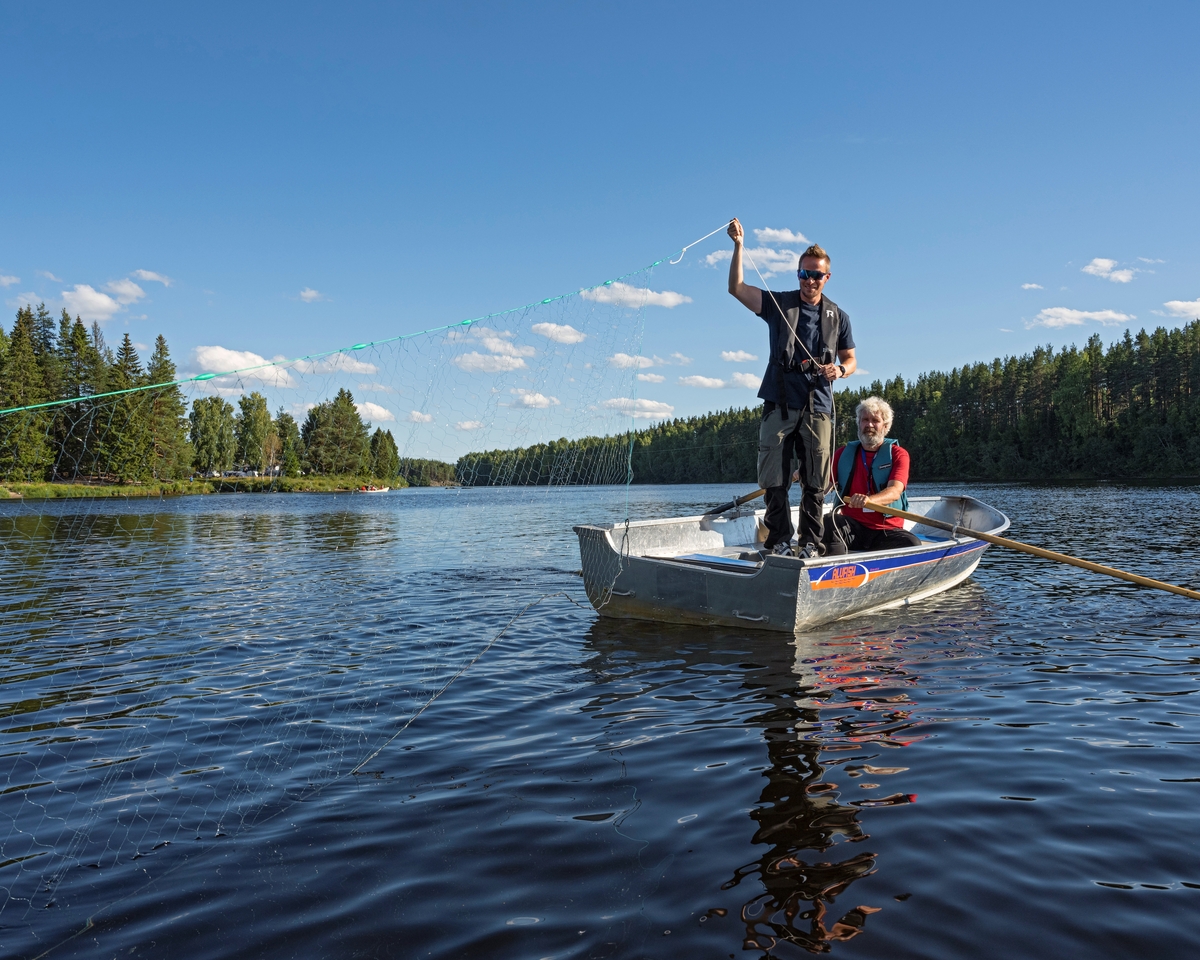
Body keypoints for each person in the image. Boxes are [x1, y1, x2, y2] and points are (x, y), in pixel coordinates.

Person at [726, 218, 857, 556]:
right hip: (779, 403)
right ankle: (779, 541)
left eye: (816, 275)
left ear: (826, 278)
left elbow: (852, 360)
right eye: (804, 273)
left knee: (815, 483)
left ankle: (811, 544)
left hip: (819, 406)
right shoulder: (779, 305)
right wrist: (739, 246)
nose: (810, 280)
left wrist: (840, 371)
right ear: (797, 274)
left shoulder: (838, 317)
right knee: (774, 479)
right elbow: (737, 288)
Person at [821, 396, 921, 555]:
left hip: (886, 530)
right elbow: (822, 486)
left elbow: (895, 491)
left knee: (912, 543)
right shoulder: (843, 454)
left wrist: (869, 500)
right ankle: (836, 570)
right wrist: (807, 474)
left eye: (875, 420)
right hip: (853, 528)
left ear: (885, 426)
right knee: (829, 521)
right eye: (865, 420)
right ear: (859, 424)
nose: (869, 425)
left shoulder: (898, 454)